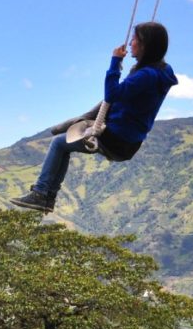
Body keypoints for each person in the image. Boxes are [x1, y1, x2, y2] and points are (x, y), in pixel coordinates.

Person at [10, 21, 178, 214]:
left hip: (116, 137)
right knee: (63, 146)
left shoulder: (146, 76)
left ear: (145, 45)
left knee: (58, 144)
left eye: (135, 40)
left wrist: (115, 62)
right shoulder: (163, 71)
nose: (130, 43)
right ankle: (47, 198)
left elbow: (112, 95)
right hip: (130, 141)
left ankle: (42, 194)